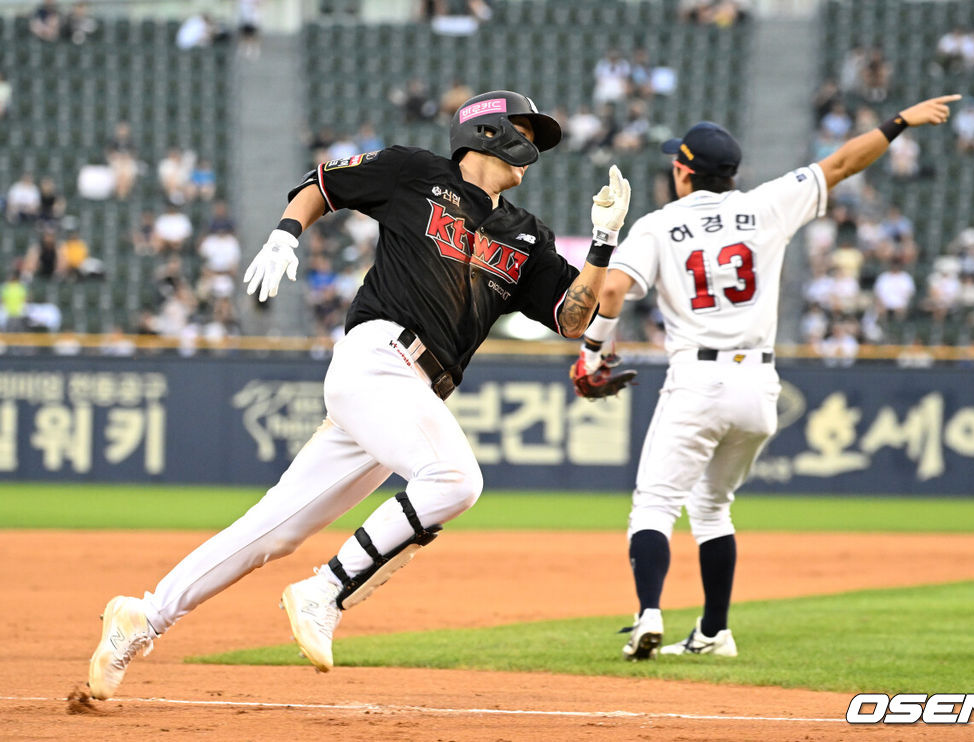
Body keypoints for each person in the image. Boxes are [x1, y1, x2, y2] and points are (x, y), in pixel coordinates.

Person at [87, 89, 631, 699]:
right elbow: (324, 183)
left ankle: (144, 616)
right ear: (486, 131)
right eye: (526, 131)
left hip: (411, 391)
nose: (534, 147)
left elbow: (576, 317)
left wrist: (603, 242)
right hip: (379, 356)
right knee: (455, 480)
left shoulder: (527, 235)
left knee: (275, 529)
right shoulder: (415, 172)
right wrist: (287, 233)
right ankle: (325, 591)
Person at [570, 93, 959, 660]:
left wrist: (593, 354)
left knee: (654, 504)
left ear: (682, 170)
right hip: (760, 386)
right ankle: (713, 632)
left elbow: (609, 291)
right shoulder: (767, 205)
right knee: (712, 507)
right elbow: (844, 163)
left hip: (697, 380)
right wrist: (899, 121)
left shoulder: (658, 225)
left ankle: (648, 614)